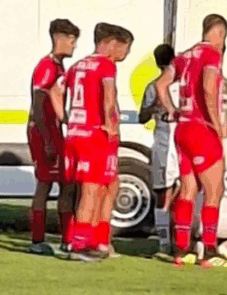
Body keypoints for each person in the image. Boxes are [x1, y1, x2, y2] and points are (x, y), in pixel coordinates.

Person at [157, 14, 227, 267]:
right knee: (214, 190)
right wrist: (216, 125)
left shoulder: (184, 56)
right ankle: (209, 250)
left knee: (188, 188)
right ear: (219, 33)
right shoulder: (212, 55)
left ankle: (181, 248)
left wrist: (172, 110)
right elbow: (209, 87)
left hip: (183, 127)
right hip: (201, 127)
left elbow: (160, 84)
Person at [62, 23, 133, 262]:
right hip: (95, 134)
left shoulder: (78, 65)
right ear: (113, 44)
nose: (126, 54)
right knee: (92, 189)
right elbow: (108, 94)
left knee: (107, 184)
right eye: (126, 48)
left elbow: (54, 91)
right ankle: (80, 245)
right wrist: (109, 122)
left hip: (77, 133)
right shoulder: (105, 65)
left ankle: (97, 241)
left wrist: (68, 118)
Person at [27, 19, 80, 255]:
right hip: (43, 131)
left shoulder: (58, 67)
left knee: (64, 184)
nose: (74, 46)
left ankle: (66, 239)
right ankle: (39, 241)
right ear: (60, 38)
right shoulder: (46, 67)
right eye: (72, 40)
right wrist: (48, 140)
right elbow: (39, 104)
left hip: (52, 130)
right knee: (47, 185)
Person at [138, 43, 179, 255]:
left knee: (173, 191)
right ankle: (165, 242)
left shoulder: (181, 84)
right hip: (164, 137)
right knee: (164, 190)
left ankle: (172, 240)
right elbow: (142, 117)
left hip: (176, 138)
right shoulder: (154, 87)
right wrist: (154, 108)